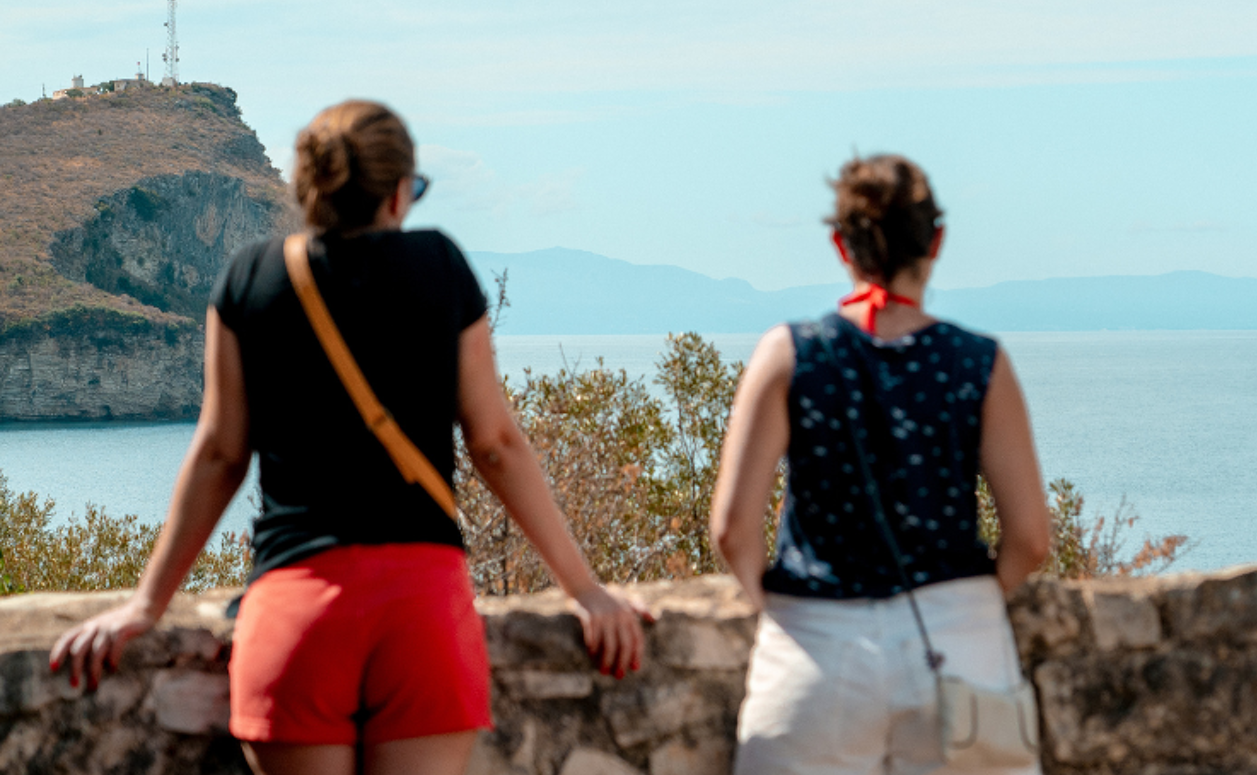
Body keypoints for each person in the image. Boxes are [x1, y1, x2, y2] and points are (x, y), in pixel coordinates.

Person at [49, 100, 648, 775]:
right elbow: (495, 445)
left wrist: (145, 603)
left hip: (296, 607)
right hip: (422, 603)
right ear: (398, 192)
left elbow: (220, 453)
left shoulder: (250, 277)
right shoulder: (441, 265)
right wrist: (586, 590)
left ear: (307, 190)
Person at [712, 153, 1053, 775]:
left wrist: (788, 612)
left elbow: (733, 531)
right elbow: (1030, 537)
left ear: (843, 245)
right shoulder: (979, 362)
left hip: (817, 647)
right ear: (937, 242)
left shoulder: (789, 354)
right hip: (959, 647)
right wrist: (969, 601)